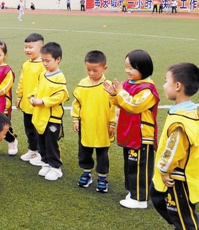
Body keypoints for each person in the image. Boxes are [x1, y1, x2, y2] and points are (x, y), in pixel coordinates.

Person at [150, 63, 199, 230]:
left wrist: (163, 169)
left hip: (178, 176)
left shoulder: (181, 121)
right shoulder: (186, 111)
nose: (163, 85)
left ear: (177, 86)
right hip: (177, 173)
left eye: (166, 81)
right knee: (159, 198)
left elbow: (174, 149)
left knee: (183, 212)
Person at [104, 49, 160, 209]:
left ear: (143, 68)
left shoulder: (148, 90)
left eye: (131, 68)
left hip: (142, 135)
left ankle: (141, 198)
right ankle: (133, 192)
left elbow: (134, 105)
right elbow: (121, 103)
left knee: (140, 166)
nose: (127, 71)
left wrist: (120, 92)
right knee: (130, 163)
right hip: (129, 131)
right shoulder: (128, 84)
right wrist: (114, 95)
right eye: (126, 67)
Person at [72, 50, 114, 192]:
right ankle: (86, 173)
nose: (91, 73)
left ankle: (102, 177)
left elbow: (114, 106)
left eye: (95, 70)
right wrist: (75, 119)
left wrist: (113, 124)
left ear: (104, 68)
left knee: (102, 153)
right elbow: (76, 103)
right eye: (88, 70)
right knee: (84, 150)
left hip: (103, 125)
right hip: (86, 126)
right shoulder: (82, 84)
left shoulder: (108, 86)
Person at [29, 42, 69, 181]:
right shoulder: (43, 74)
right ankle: (45, 162)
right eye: (43, 60)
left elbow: (60, 96)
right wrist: (33, 97)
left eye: (48, 61)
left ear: (58, 59)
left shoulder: (59, 77)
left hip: (52, 118)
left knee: (51, 142)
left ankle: (55, 167)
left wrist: (43, 101)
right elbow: (37, 88)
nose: (45, 63)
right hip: (40, 115)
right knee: (41, 140)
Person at [15, 33, 45, 165]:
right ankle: (32, 149)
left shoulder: (43, 65)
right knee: (29, 128)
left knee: (38, 130)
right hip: (27, 104)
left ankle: (41, 153)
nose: (27, 50)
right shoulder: (26, 64)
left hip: (38, 105)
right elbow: (22, 81)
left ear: (41, 48)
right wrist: (19, 96)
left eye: (31, 47)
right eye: (26, 47)